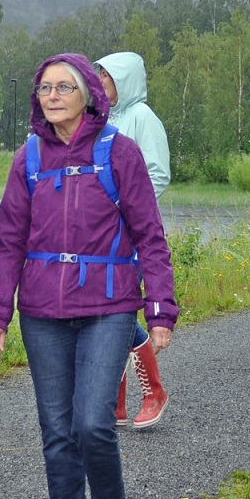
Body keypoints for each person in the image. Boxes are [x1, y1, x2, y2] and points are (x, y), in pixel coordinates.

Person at [0, 53, 178, 499]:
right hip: (42, 311)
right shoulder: (29, 157)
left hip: (109, 307)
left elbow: (149, 235)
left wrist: (159, 307)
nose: (52, 95)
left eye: (64, 86)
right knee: (57, 428)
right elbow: (6, 243)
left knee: (92, 422)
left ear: (89, 93)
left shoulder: (120, 152)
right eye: (44, 87)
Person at [93, 52, 171, 429]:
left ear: (123, 80)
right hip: (101, 235)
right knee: (105, 306)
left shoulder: (143, 118)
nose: (101, 83)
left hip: (133, 233)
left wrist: (129, 212)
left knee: (119, 310)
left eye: (107, 76)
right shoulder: (105, 118)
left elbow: (157, 174)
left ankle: (153, 391)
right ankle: (116, 404)